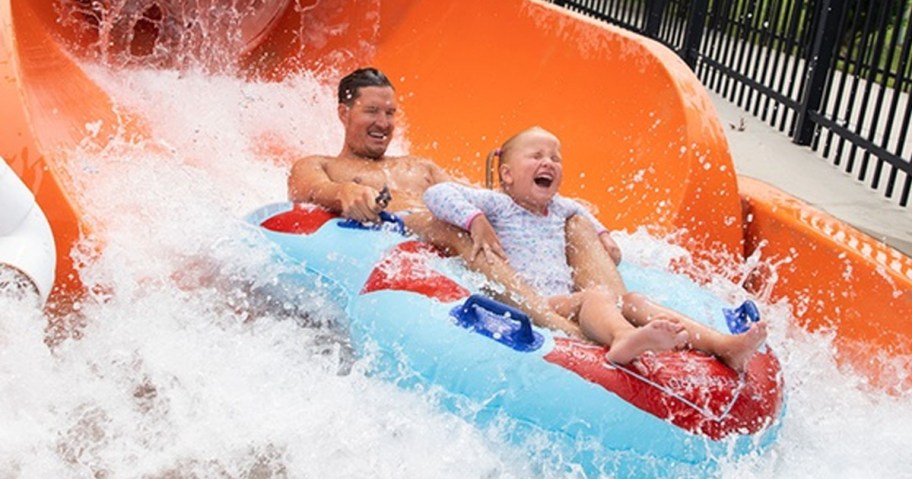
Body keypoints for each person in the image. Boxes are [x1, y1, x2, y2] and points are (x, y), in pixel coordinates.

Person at [288, 67, 612, 338]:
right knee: (451, 226)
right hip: (421, 233)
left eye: (390, 113)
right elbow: (311, 189)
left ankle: (619, 311)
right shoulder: (323, 165)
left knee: (575, 220)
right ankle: (562, 326)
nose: (383, 123)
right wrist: (345, 191)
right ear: (344, 113)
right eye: (372, 111)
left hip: (460, 238)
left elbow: (473, 200)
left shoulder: (421, 166)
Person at [423, 126, 768, 369]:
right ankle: (623, 338)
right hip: (535, 302)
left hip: (568, 301)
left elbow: (585, 215)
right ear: (508, 175)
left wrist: (604, 236)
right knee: (596, 295)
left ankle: (721, 345)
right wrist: (474, 220)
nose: (549, 163)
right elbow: (437, 194)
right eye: (536, 156)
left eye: (556, 158)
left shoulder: (560, 207)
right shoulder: (497, 205)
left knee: (631, 300)